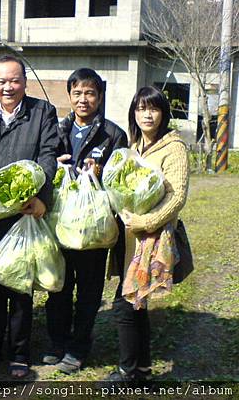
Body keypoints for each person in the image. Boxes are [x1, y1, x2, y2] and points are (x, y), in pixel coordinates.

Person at [0, 55, 59, 378]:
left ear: (25, 83)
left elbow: (47, 156)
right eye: (2, 81)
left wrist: (37, 198)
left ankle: (19, 353)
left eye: (14, 80)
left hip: (23, 213)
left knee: (21, 288)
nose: (8, 87)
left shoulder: (42, 112)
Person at [44, 68, 128, 373]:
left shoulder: (113, 134)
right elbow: (44, 165)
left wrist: (101, 170)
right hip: (62, 223)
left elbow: (122, 177)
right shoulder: (57, 130)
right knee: (59, 285)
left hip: (93, 227)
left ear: (100, 96)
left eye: (90, 93)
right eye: (77, 93)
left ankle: (79, 348)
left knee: (90, 291)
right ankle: (57, 342)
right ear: (69, 97)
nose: (83, 99)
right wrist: (55, 164)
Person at [105, 86, 189, 383]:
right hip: (130, 237)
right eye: (141, 109)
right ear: (134, 113)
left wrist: (145, 221)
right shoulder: (136, 145)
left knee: (124, 304)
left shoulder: (173, 147)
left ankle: (127, 373)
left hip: (152, 237)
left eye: (153, 108)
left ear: (164, 113)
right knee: (137, 303)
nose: (147, 114)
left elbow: (176, 198)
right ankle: (142, 370)